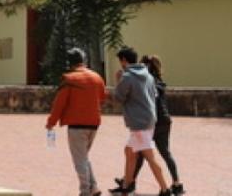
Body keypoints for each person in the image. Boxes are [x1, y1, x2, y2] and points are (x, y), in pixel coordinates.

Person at [115, 55, 184, 194]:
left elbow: (129, 98)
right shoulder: (156, 81)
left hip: (149, 123)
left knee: (145, 155)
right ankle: (176, 183)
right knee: (138, 152)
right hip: (162, 120)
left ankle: (161, 188)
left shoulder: (145, 80)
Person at [46, 47, 107, 196]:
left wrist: (51, 122)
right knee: (83, 157)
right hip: (94, 123)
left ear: (69, 62)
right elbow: (102, 98)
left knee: (79, 160)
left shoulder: (70, 79)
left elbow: (59, 104)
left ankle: (84, 191)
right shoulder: (97, 77)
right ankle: (93, 187)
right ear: (83, 60)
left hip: (77, 125)